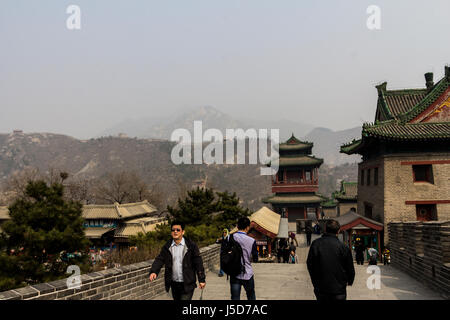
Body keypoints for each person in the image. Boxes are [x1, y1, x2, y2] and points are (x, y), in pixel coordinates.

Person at [149, 221, 206, 300]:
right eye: (173, 230)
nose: (175, 231)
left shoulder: (191, 246)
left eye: (178, 230)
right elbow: (160, 259)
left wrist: (201, 279)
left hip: (187, 283)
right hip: (174, 283)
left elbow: (198, 263)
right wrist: (154, 271)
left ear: (183, 232)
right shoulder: (167, 246)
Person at [307, 219, 355, 301]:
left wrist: (315, 281)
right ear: (338, 231)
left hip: (321, 288)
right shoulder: (344, 247)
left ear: (325, 229)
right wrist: (349, 281)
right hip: (339, 289)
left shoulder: (316, 244)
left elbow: (310, 264)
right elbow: (350, 267)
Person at [230, 217, 258, 300]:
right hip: (247, 273)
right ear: (247, 227)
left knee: (235, 297)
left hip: (234, 272)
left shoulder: (230, 238)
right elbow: (255, 258)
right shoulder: (252, 240)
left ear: (237, 226)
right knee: (251, 296)